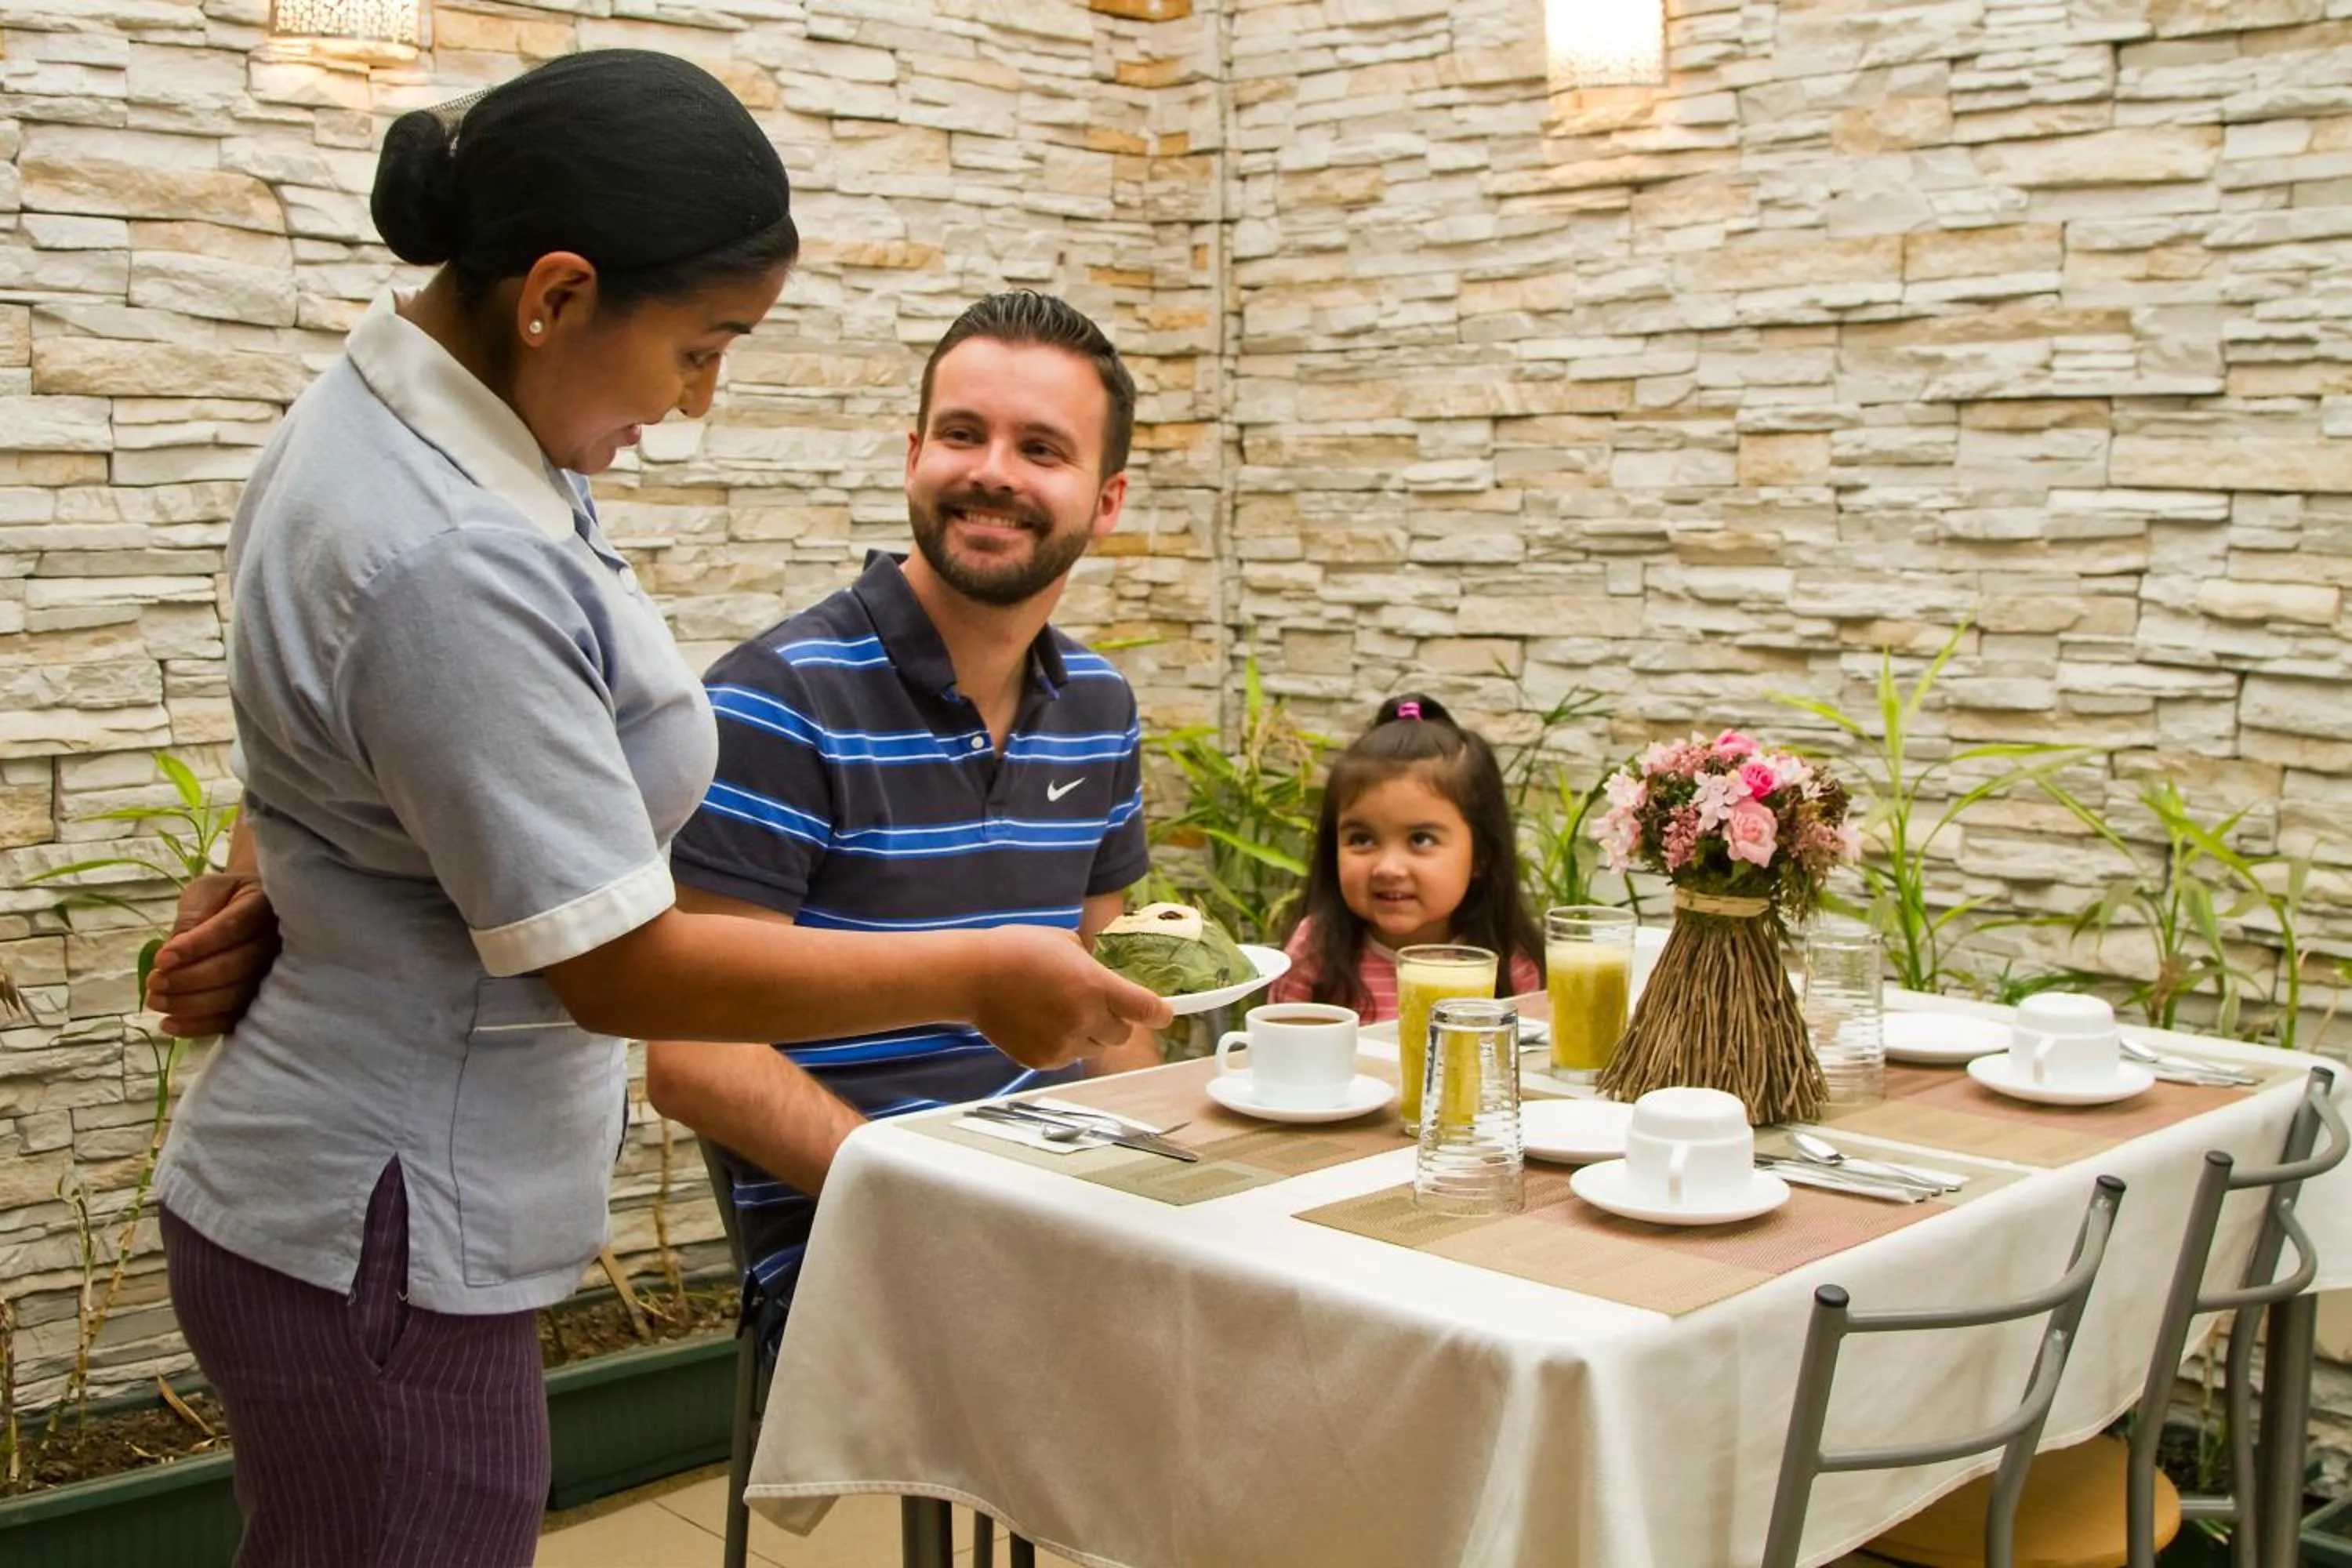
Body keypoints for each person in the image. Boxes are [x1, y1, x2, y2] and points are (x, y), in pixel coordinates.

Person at [143, 55, 1165, 1568]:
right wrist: (976, 975)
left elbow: (370, 723)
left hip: (379, 1206)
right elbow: (620, 970)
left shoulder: (440, 425)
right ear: (556, 297)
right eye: (700, 349)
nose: (698, 401)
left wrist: (279, 856)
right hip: (383, 1217)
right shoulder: (454, 548)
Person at [644, 291, 1159, 1329]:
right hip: (857, 1233)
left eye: (1040, 448)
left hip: (1061, 1211)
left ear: (1107, 500)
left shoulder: (1100, 707)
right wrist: (928, 1207)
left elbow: (1110, 1007)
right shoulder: (776, 700)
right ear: (914, 455)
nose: (993, 472)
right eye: (963, 435)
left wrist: (1146, 1186)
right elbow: (692, 1054)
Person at [1268, 695, 1544, 1022]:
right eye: (1362, 839)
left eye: (1420, 840)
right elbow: (1276, 1049)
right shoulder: (1315, 951)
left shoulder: (1510, 962)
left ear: (1481, 854)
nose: (1388, 868)